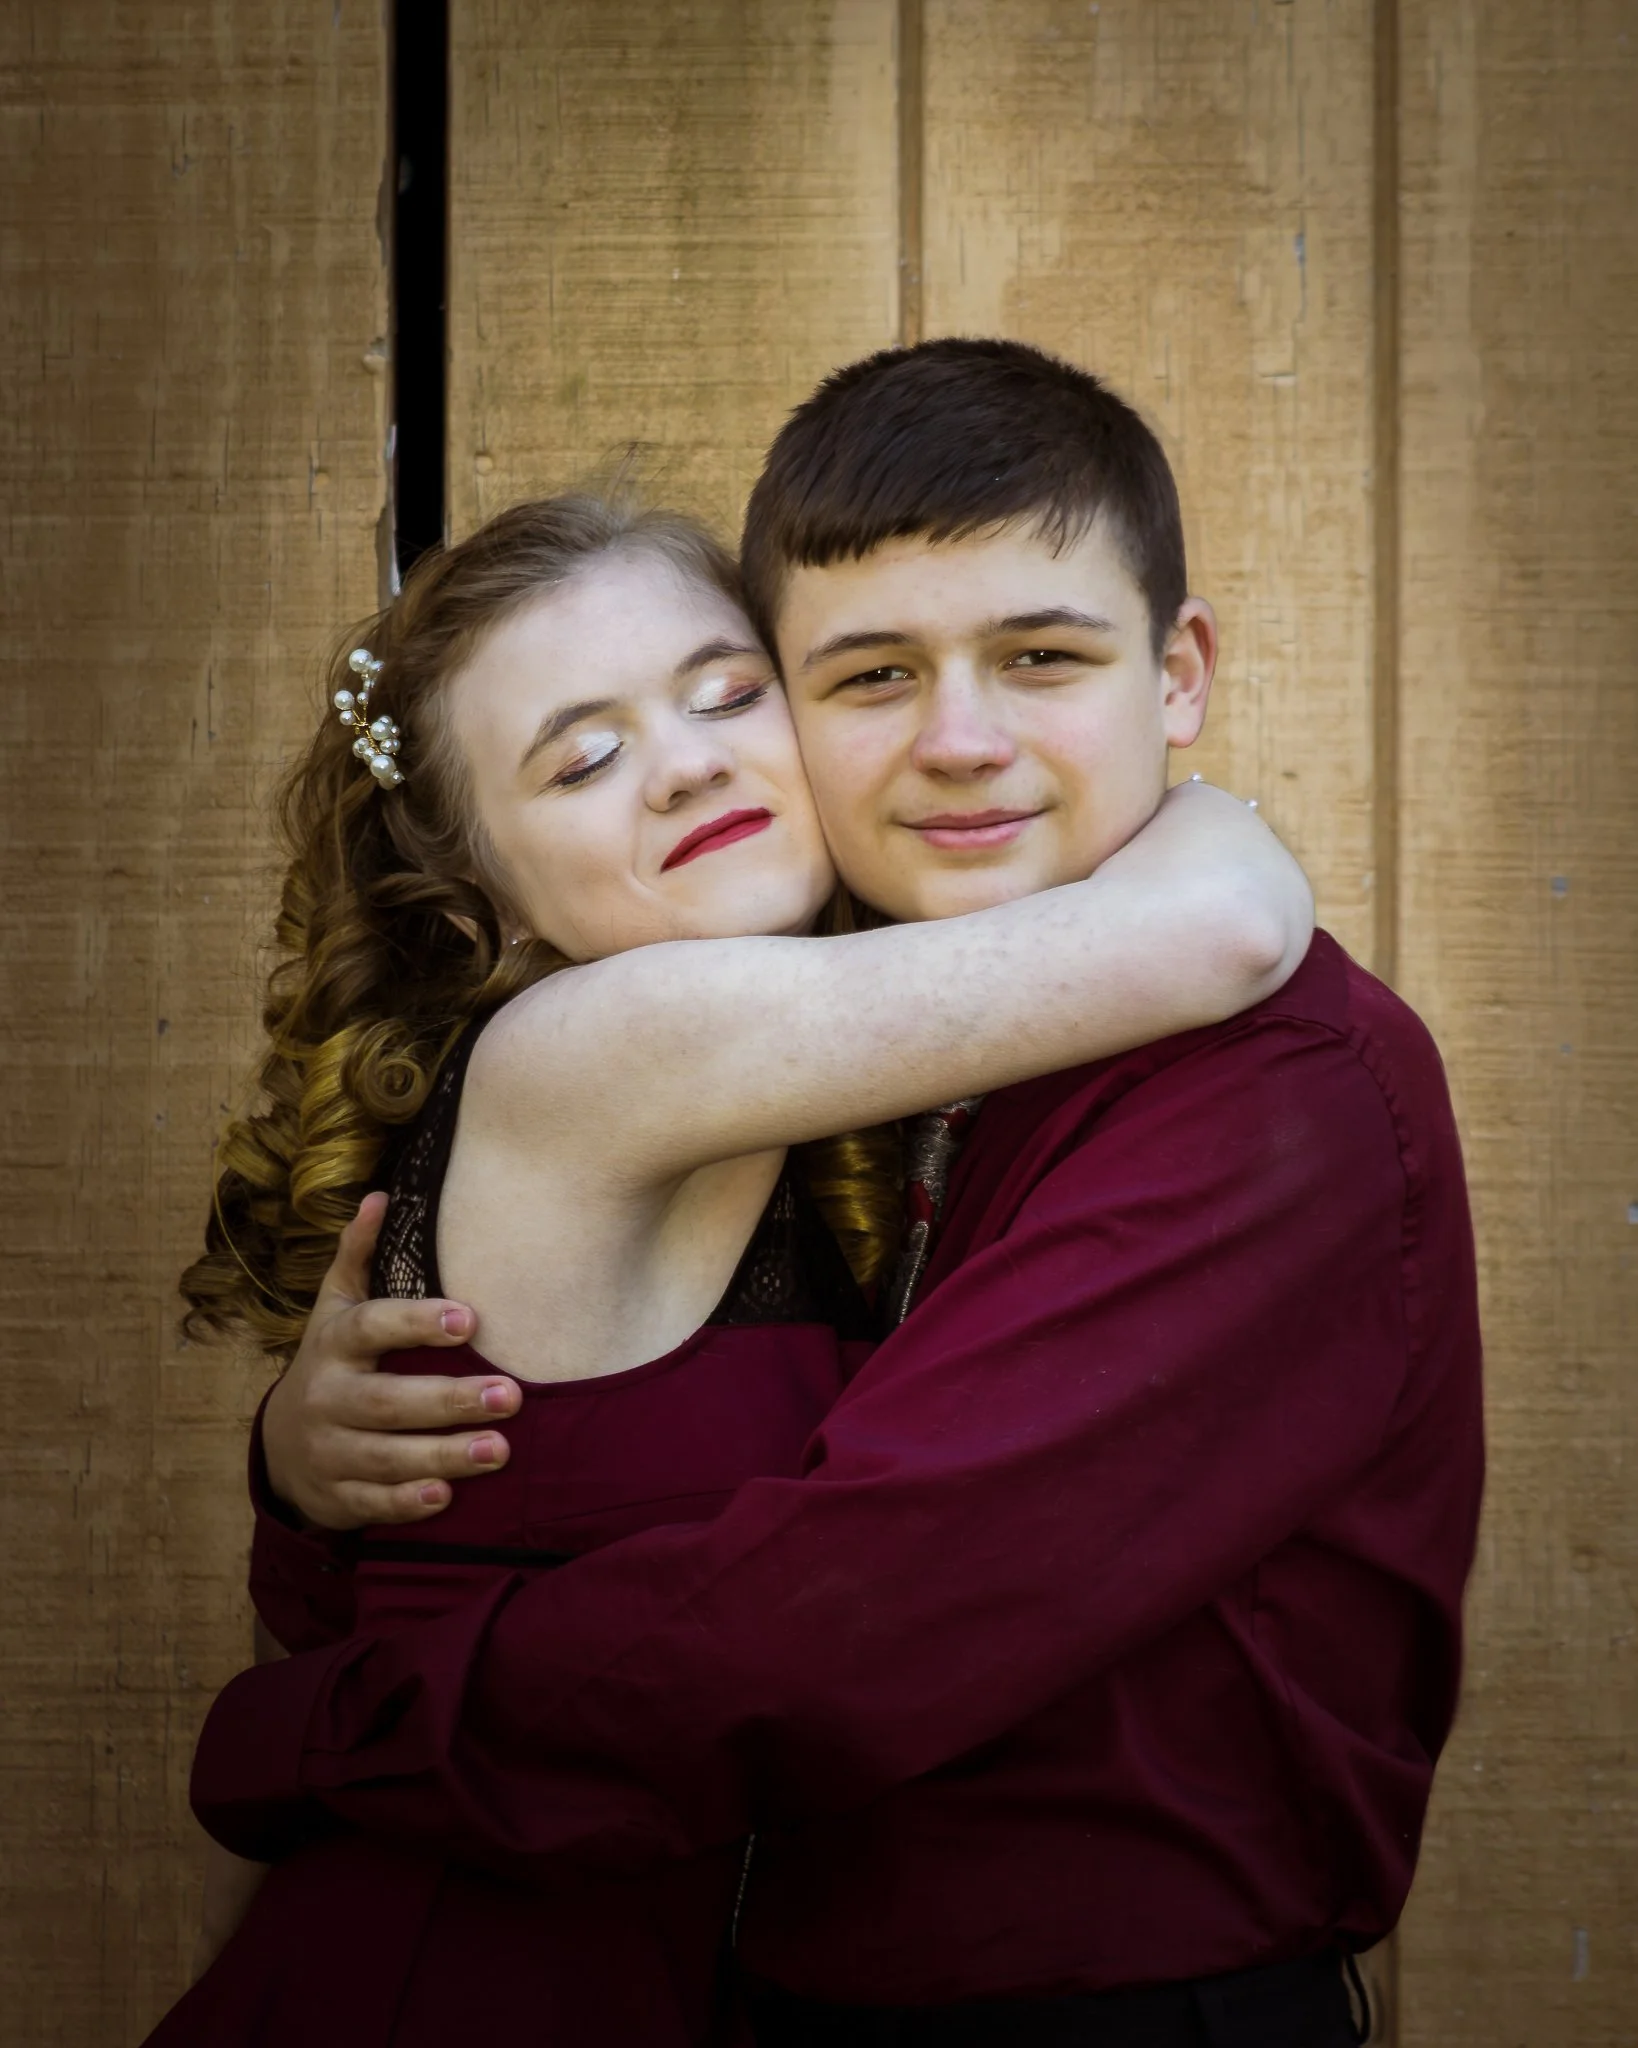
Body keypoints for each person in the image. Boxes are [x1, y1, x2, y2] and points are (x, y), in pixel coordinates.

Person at [190, 341, 1484, 2048]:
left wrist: (304, 1719)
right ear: (479, 898)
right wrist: (306, 1486)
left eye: (1040, 657)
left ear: (1178, 675)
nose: (958, 742)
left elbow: (834, 1619)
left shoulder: (1241, 1083)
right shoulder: (699, 1039)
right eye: (868, 675)